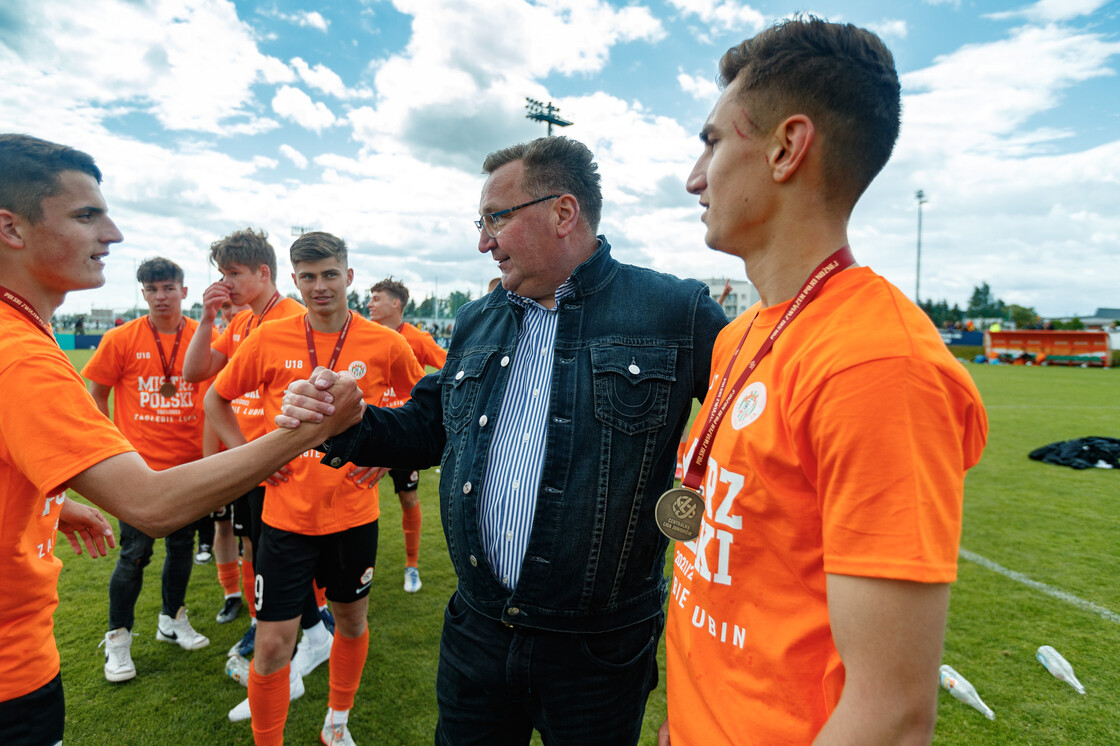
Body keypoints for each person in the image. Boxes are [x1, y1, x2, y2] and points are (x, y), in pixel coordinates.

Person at [279, 136, 728, 745]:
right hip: (478, 630)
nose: (483, 242)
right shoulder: (479, 317)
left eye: (495, 218)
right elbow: (428, 428)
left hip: (599, 648)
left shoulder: (674, 311)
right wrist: (351, 420)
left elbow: (753, 447)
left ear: (562, 213)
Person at [655, 18, 989, 744]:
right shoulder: (742, 335)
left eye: (712, 143)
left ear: (786, 147)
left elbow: (892, 716)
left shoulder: (878, 367)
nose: (692, 177)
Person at [0, 134, 361, 746]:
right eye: (87, 215)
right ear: (10, 228)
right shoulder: (23, 355)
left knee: (289, 582)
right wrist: (312, 431)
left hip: (288, 489)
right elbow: (155, 496)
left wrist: (53, 503)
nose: (111, 234)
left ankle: (305, 639)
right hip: (12, 673)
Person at [206, 231, 424, 746]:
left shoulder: (386, 343)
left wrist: (391, 454)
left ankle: (336, 723)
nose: (319, 286)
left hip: (353, 517)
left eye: (330, 274)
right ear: (295, 280)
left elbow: (426, 412)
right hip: (284, 519)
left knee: (350, 624)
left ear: (348, 277)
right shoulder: (267, 338)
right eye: (308, 276)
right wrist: (253, 462)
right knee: (272, 646)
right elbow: (217, 400)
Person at [81, 257, 211, 683]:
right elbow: (94, 394)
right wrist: (113, 444)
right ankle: (118, 640)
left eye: (169, 288)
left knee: (180, 549)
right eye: (152, 289)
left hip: (191, 468)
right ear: (143, 294)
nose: (161, 296)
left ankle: (171, 620)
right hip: (139, 473)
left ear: (184, 292)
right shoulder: (122, 338)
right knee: (134, 556)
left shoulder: (203, 337)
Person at [182, 229, 311, 650]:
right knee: (256, 546)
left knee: (284, 552)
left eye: (233, 273)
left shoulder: (295, 318)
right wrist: (205, 318)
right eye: (222, 273)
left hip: (284, 464)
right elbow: (196, 372)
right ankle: (274, 624)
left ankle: (296, 629)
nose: (226, 283)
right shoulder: (241, 321)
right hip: (251, 462)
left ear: (263, 271)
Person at [366, 276, 448, 592]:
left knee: (408, 497)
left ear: (395, 303)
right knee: (355, 494)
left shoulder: (418, 338)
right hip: (371, 430)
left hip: (404, 432)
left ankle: (411, 566)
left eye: (376, 297)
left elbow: (451, 369)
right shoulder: (363, 334)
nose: (370, 303)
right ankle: (354, 568)